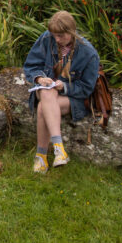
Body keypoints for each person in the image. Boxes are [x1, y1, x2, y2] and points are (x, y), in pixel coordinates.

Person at [22, 10, 101, 174]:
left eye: (61, 36)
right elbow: (30, 65)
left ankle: (41, 157)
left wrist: (64, 87)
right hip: (46, 91)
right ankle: (59, 149)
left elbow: (87, 88)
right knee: (45, 92)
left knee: (43, 108)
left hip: (71, 97)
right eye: (54, 35)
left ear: (71, 32)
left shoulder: (89, 53)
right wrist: (39, 79)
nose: (57, 39)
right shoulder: (46, 38)